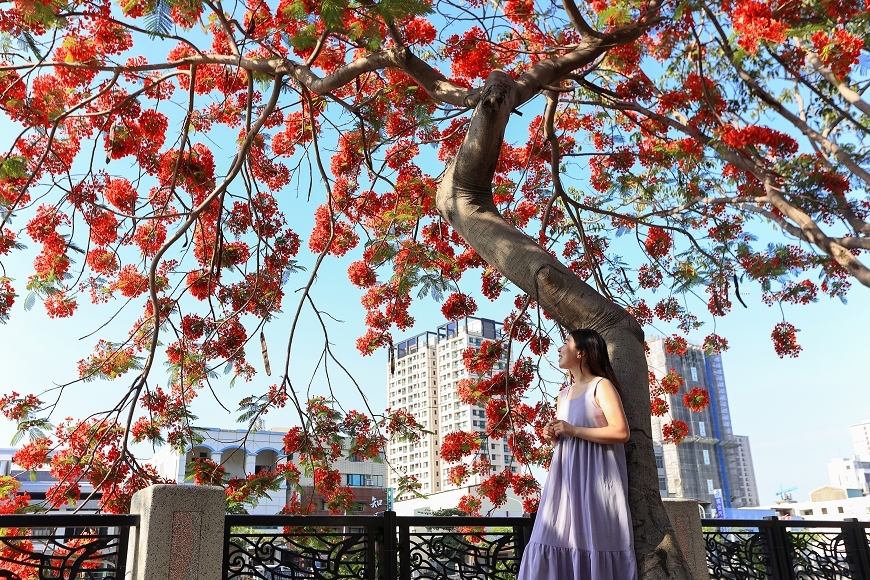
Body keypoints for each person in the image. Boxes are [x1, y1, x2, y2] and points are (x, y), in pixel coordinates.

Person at [516, 328, 637, 580]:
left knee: (595, 544)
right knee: (547, 539)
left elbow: (621, 432)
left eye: (566, 344)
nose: (559, 349)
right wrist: (553, 436)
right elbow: (568, 440)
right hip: (565, 483)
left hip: (597, 481)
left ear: (581, 352)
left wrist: (573, 429)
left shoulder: (601, 386)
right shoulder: (563, 395)